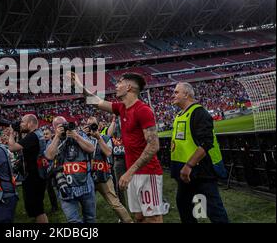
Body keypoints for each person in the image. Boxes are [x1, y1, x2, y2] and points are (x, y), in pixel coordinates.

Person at [70, 72, 165, 223]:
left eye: (119, 83)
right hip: (133, 172)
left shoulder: (143, 110)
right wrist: (80, 86)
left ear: (128, 87)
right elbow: (96, 101)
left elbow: (153, 145)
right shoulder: (122, 108)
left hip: (148, 173)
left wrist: (130, 172)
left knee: (152, 218)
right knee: (139, 217)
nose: (116, 86)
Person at [171, 82, 229, 223]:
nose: (173, 95)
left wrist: (189, 165)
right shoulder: (180, 115)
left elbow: (206, 143)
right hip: (185, 174)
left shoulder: (199, 113)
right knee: (185, 208)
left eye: (176, 92)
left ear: (186, 94)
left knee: (214, 210)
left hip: (200, 172)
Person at [44, 116, 96, 223]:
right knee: (73, 221)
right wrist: (58, 137)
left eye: (64, 125)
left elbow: (91, 148)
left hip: (85, 184)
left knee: (90, 218)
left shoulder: (78, 134)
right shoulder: (54, 140)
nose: (63, 128)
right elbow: (49, 156)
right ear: (54, 129)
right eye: (59, 127)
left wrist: (76, 136)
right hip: (65, 187)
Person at [85, 117, 133, 223]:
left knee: (115, 204)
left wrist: (98, 137)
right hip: (88, 177)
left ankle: (129, 221)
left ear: (99, 126)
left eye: (93, 125)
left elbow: (108, 153)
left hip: (104, 176)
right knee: (87, 206)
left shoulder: (105, 138)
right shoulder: (83, 138)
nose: (91, 127)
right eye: (89, 125)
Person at [7, 114, 48, 223]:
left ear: (30, 123)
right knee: (36, 207)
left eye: (22, 122)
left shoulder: (32, 136)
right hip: (38, 173)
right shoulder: (37, 134)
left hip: (34, 176)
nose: (20, 124)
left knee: (38, 209)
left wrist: (11, 133)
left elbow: (12, 148)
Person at [107, 115, 128, 209]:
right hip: (118, 159)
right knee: (119, 185)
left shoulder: (126, 120)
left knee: (135, 182)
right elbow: (109, 134)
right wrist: (114, 120)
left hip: (129, 157)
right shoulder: (113, 124)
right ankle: (123, 207)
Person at [43, 127, 59, 213]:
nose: (45, 135)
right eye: (44, 134)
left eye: (47, 134)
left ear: (51, 134)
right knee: (49, 189)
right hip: (47, 169)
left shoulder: (53, 143)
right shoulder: (42, 144)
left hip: (54, 167)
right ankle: (54, 206)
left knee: (58, 185)